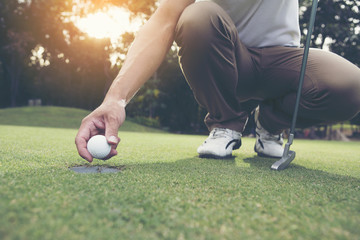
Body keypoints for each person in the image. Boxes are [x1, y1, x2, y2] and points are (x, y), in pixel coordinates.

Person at [75, 0, 360, 162]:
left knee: (351, 86)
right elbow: (163, 21)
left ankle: (270, 125)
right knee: (197, 17)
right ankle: (225, 124)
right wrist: (115, 98)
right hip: (228, 59)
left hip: (282, 61)